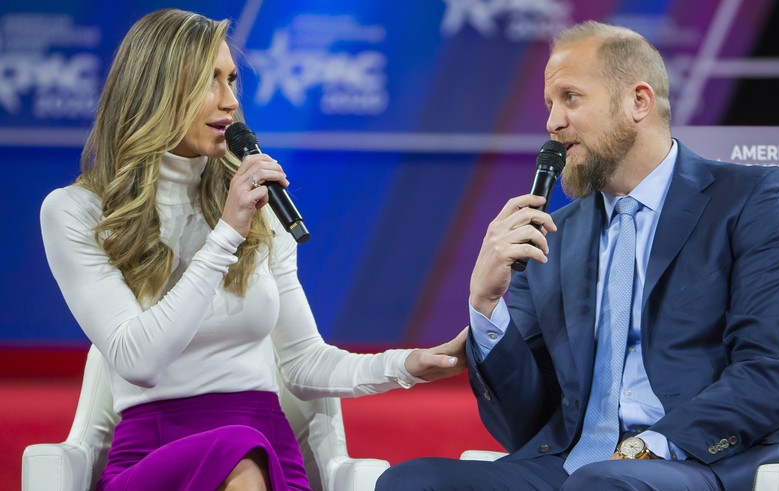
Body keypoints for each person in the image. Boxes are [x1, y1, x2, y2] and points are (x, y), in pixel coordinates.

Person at [376, 20, 779, 491]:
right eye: (549, 104)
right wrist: (487, 309)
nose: (552, 122)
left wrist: (648, 446)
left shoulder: (753, 199)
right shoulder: (553, 234)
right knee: (411, 482)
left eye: (571, 97)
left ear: (638, 101)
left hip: (694, 459)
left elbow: (773, 369)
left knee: (603, 484)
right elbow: (521, 423)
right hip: (572, 466)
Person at [39, 9, 467, 491]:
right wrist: (225, 235)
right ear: (154, 93)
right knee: (237, 453)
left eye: (232, 79)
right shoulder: (78, 211)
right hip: (156, 456)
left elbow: (304, 364)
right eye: (208, 82)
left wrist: (408, 366)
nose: (229, 101)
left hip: (268, 451)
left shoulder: (259, 207)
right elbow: (138, 360)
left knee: (244, 452)